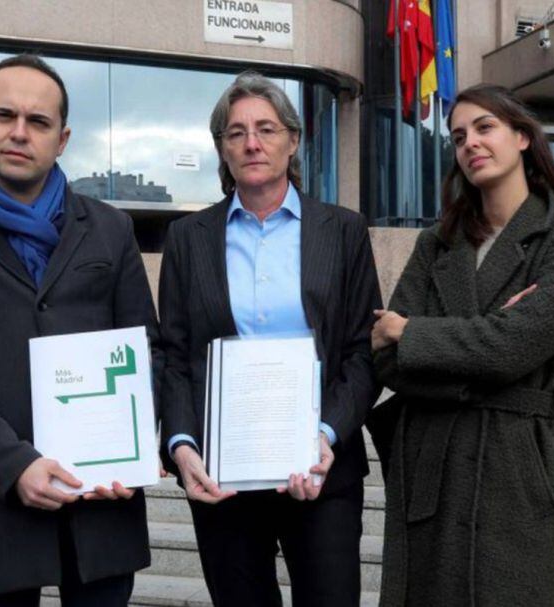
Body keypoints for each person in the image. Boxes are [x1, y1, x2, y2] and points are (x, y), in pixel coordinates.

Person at [0, 54, 161, 606]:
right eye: (4, 116)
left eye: (38, 122)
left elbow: (145, 349)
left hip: (100, 500)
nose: (19, 132)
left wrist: (130, 449)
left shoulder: (111, 229)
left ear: (62, 139)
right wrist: (15, 463)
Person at [369, 84, 554, 606]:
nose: (469, 143)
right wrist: (486, 339)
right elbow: (385, 359)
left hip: (514, 462)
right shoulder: (437, 243)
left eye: (484, 127)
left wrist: (413, 333)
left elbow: (514, 346)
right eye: (457, 136)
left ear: (522, 137)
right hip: (433, 458)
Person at [157, 71, 381, 607]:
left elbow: (361, 350)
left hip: (319, 468)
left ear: (293, 139)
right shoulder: (188, 239)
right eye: (236, 133)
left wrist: (326, 436)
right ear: (222, 149)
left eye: (265, 128)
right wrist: (182, 445)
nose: (252, 143)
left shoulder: (344, 231)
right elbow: (174, 353)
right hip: (223, 475)